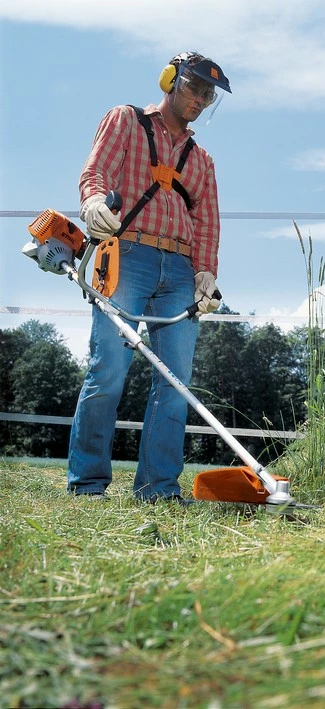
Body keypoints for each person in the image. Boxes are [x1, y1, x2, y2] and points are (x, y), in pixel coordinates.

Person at [67, 51, 231, 505]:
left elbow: (207, 223)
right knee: (108, 370)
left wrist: (205, 273)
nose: (199, 100)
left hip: (179, 271)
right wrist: (93, 202)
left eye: (208, 95)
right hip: (126, 256)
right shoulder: (126, 120)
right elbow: (96, 171)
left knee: (175, 383)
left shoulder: (202, 160)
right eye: (193, 88)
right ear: (170, 79)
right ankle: (87, 484)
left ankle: (158, 490)